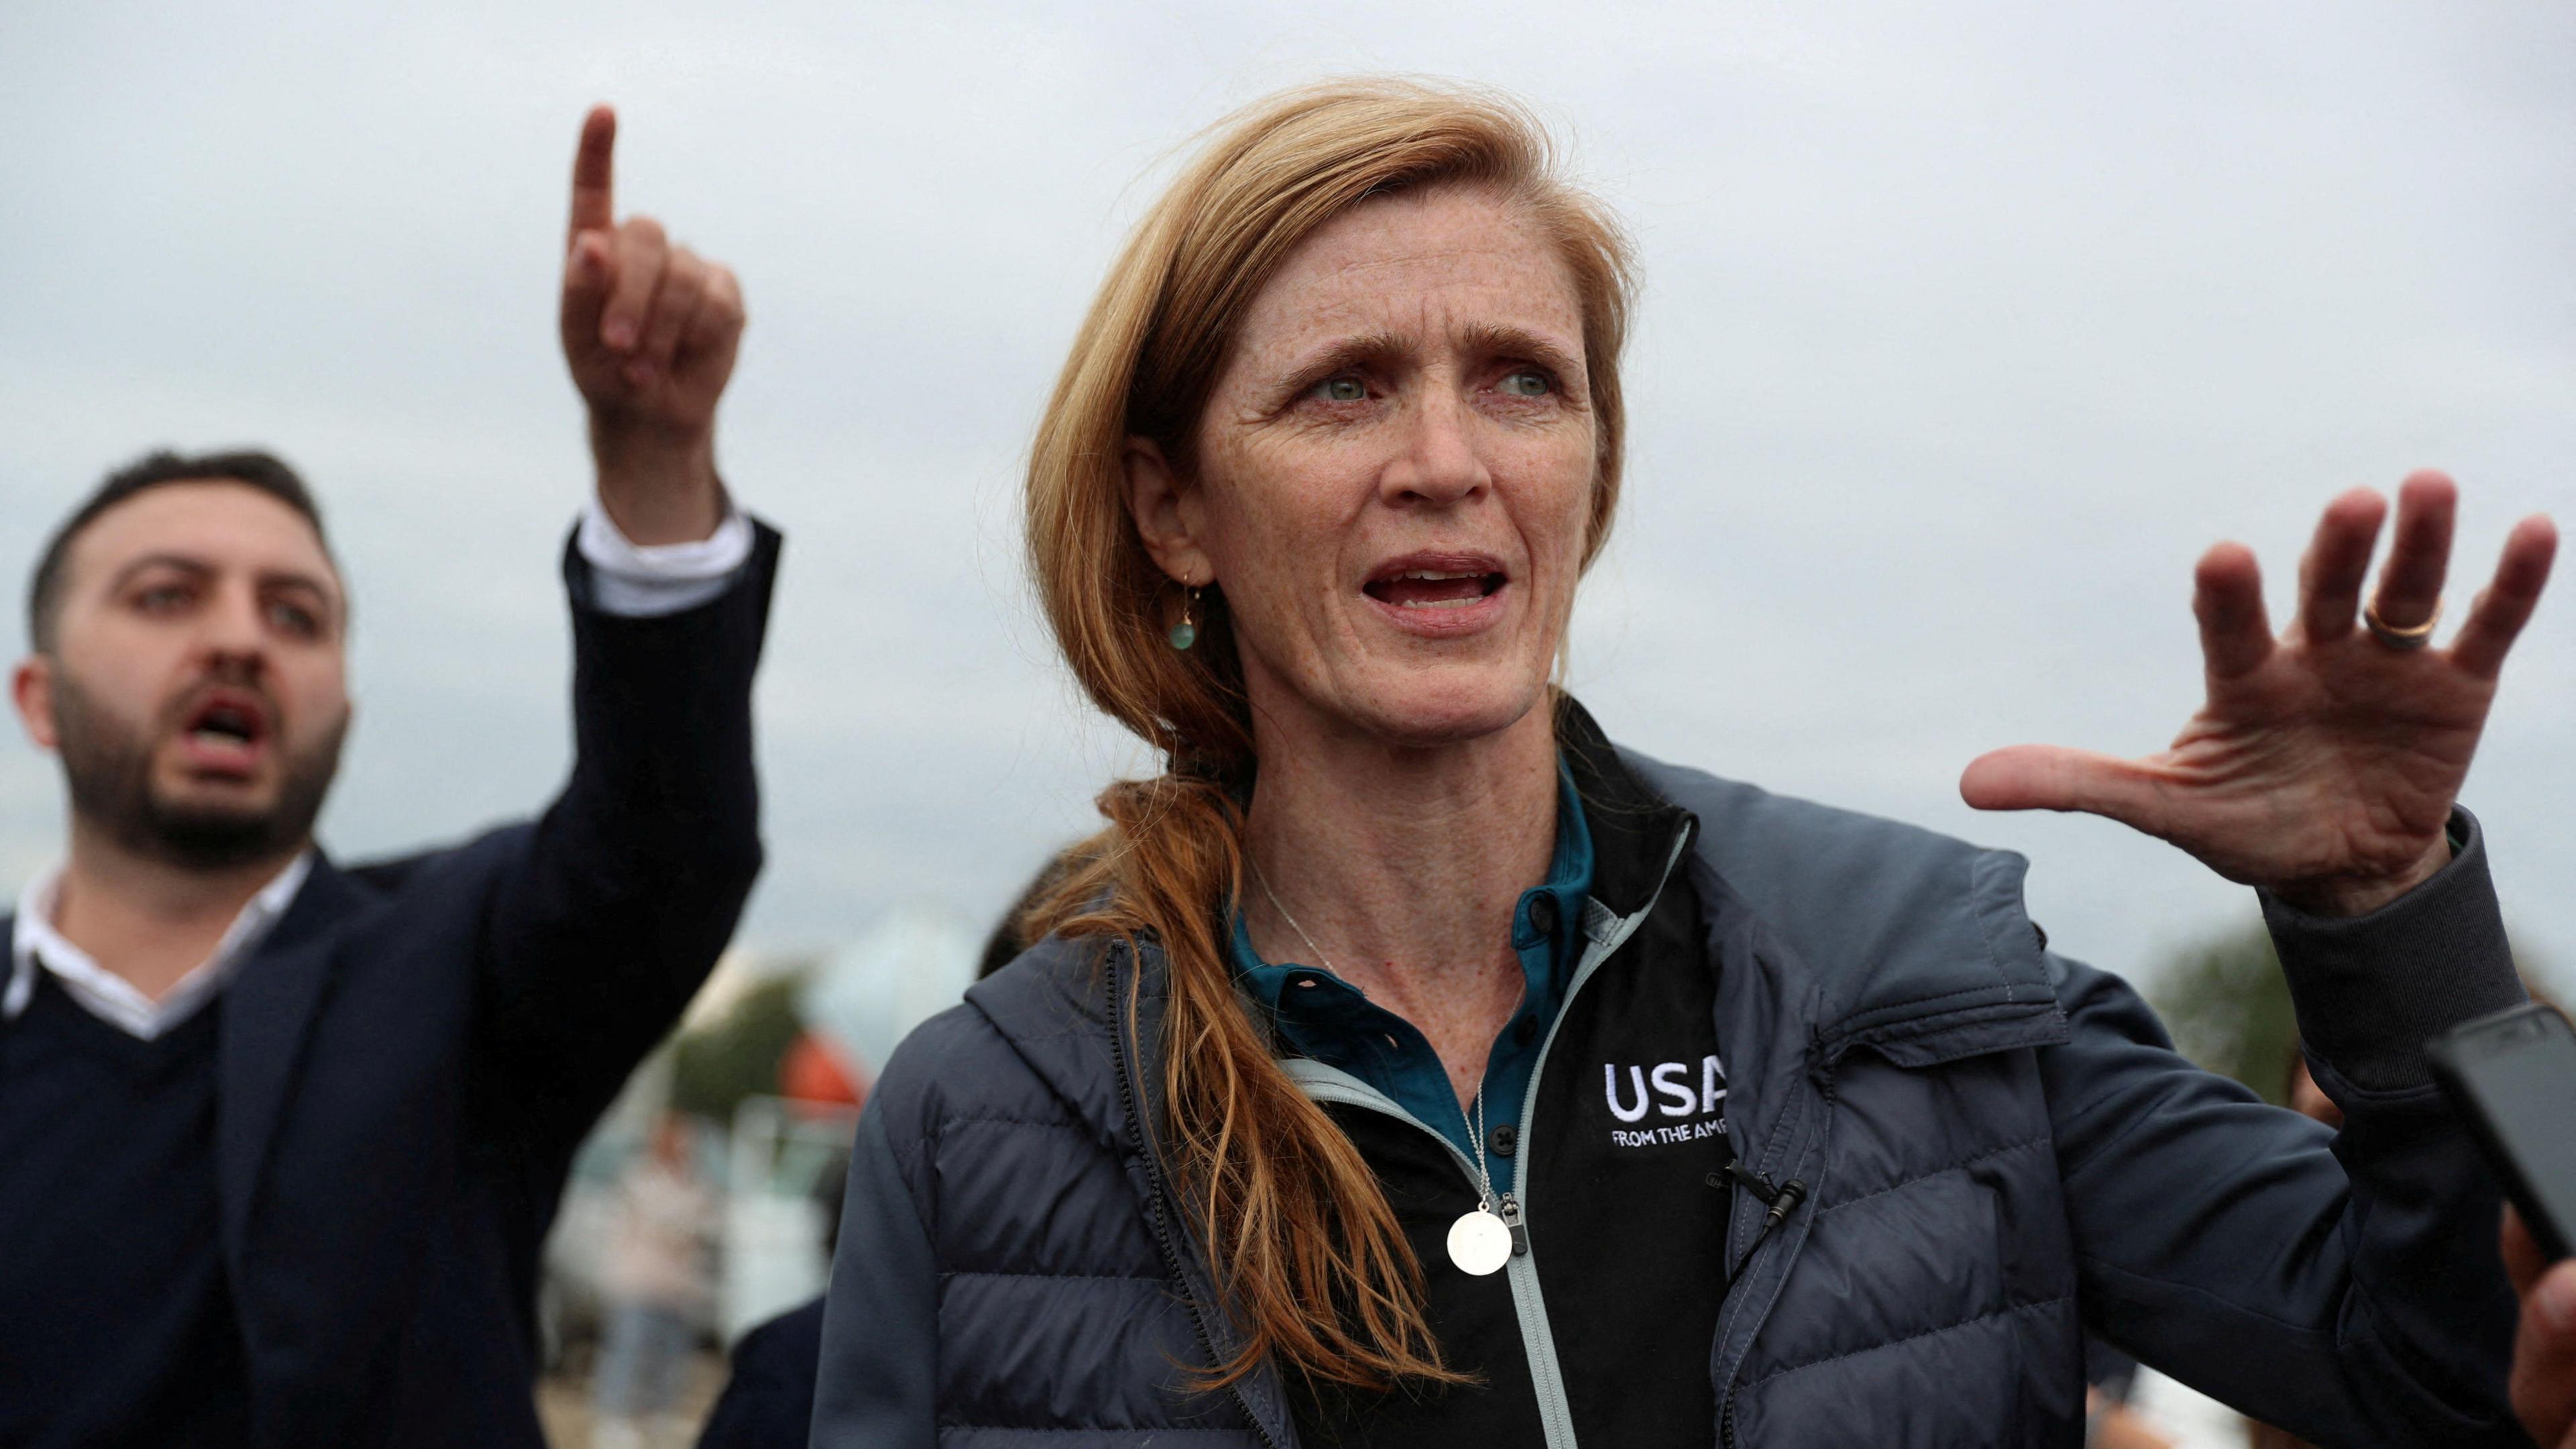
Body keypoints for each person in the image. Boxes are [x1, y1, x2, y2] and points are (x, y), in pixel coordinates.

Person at [812, 78, 2559, 1447]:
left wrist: (2391, 920)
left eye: (1520, 381)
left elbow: (2456, 1378)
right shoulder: (991, 1121)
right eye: (1345, 388)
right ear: (1172, 506)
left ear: (1592, 462)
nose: (1446, 458)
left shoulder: (1912, 977)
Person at [0, 105, 776, 1448]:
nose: (240, 633)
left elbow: (664, 844)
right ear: (40, 698)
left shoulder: (457, 977)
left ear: (343, 704)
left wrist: (653, 465)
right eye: (167, 596)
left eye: (296, 613)